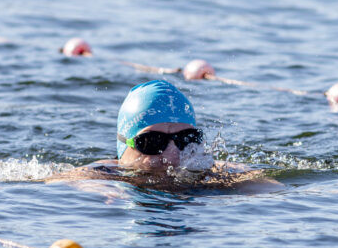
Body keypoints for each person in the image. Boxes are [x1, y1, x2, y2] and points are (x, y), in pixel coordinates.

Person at [45, 80, 282, 194]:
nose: (172, 156)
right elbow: (51, 183)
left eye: (186, 140)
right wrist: (99, 188)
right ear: (124, 145)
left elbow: (278, 193)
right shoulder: (105, 175)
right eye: (151, 143)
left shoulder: (217, 173)